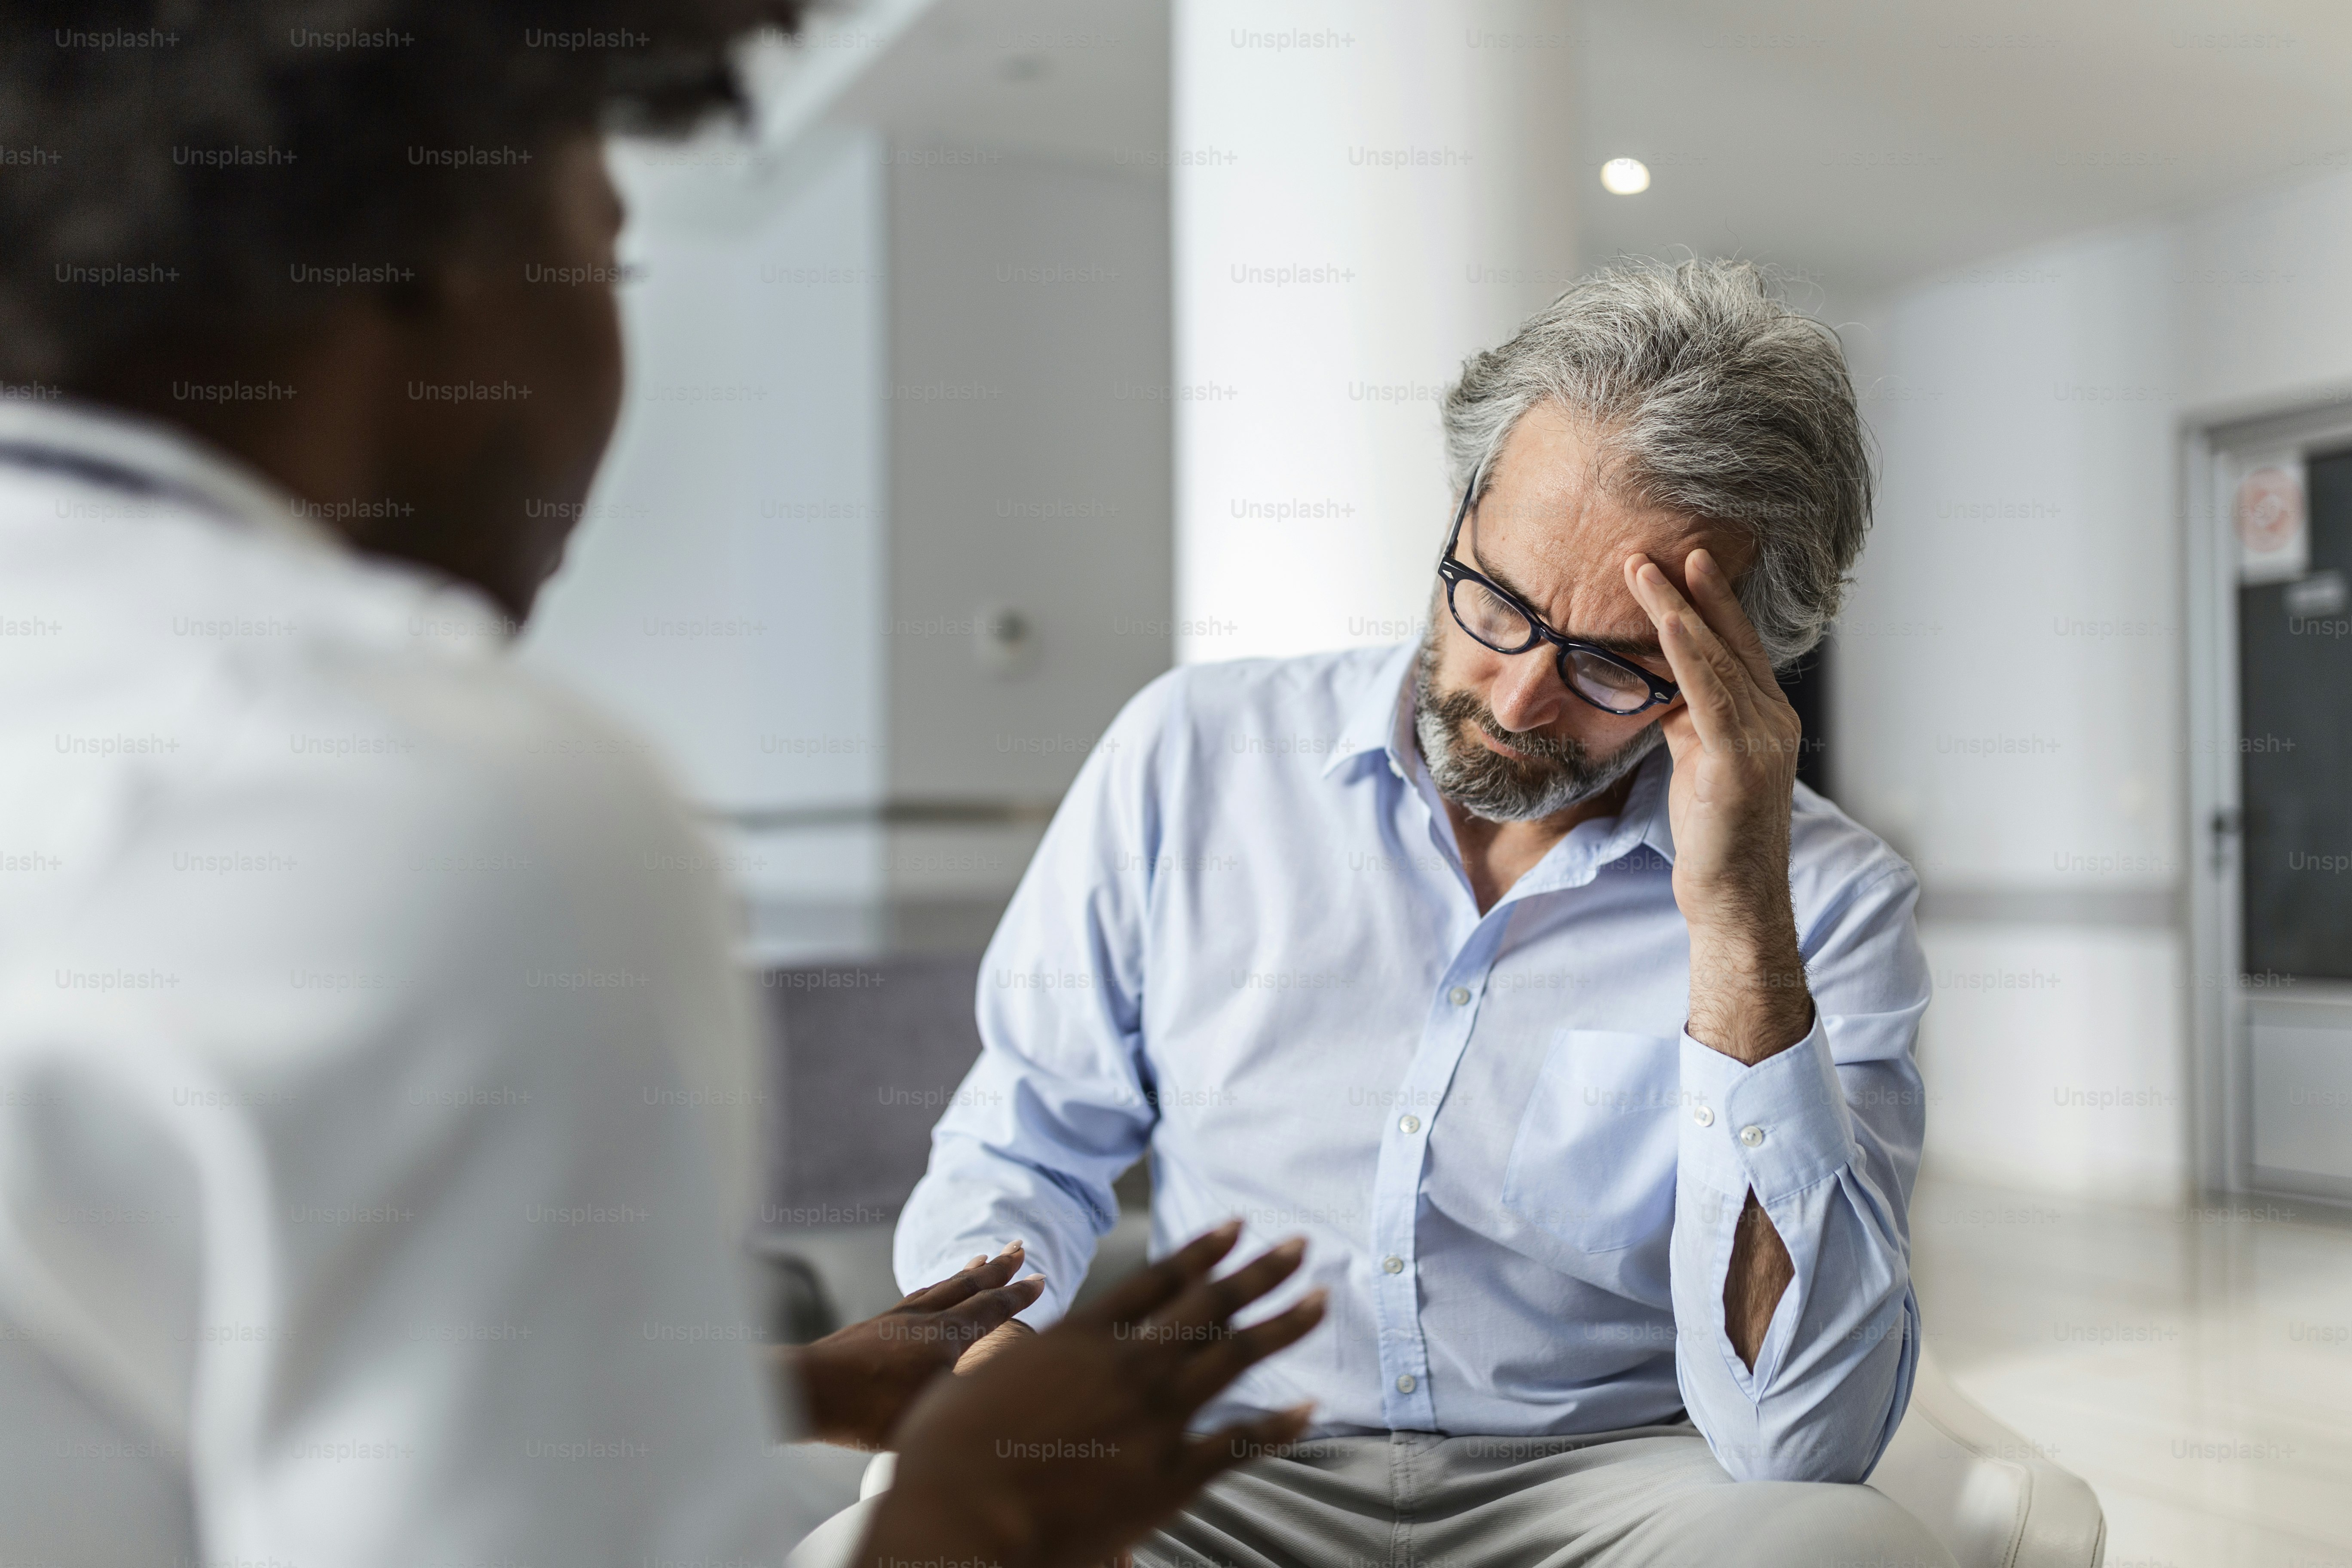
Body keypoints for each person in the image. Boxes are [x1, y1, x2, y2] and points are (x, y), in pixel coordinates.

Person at [0, 6, 1323, 1567]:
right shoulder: (439, 798)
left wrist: (795, 1382)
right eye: (607, 262)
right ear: (434, 254)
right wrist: (984, 1521)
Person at [894, 260, 1961, 1567]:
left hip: (1614, 1484)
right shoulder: (1190, 755)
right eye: (1497, 602)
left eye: (1616, 665)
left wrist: (1740, 921)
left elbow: (1804, 1438)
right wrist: (989, 1359)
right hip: (1219, 1460)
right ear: (1462, 509)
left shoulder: (1826, 901)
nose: (1518, 698)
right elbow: (1027, 1139)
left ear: (1744, 669)